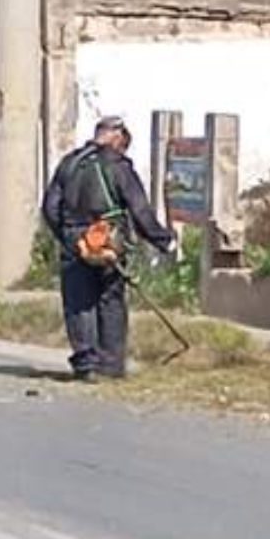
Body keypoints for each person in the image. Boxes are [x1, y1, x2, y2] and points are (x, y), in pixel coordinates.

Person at [41, 116, 176, 381]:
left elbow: (50, 207)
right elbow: (139, 209)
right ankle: (111, 364)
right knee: (110, 300)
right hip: (108, 240)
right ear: (116, 137)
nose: (123, 150)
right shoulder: (118, 166)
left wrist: (68, 237)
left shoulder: (69, 164)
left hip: (74, 239)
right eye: (123, 144)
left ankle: (86, 364)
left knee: (78, 302)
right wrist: (162, 240)